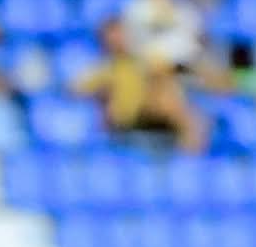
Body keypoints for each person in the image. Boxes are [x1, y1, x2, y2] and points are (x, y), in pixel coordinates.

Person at [75, 16, 209, 153]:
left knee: (174, 100)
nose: (118, 39)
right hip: (125, 117)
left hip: (151, 109)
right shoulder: (106, 68)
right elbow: (78, 89)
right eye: (112, 36)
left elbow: (169, 70)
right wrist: (101, 96)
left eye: (120, 34)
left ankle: (188, 158)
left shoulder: (144, 59)